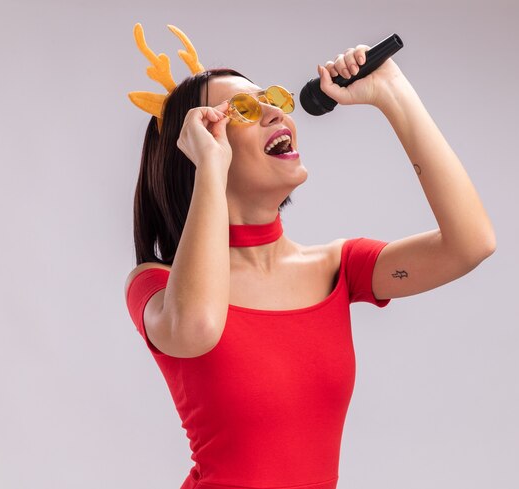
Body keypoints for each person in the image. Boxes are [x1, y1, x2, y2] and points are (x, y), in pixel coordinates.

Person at [124, 23, 496, 489]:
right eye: (240, 109)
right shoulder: (156, 285)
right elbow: (197, 327)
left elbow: (471, 243)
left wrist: (393, 94)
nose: (274, 113)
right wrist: (210, 172)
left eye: (273, 99)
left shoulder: (337, 268)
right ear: (198, 149)